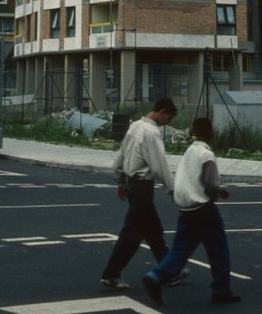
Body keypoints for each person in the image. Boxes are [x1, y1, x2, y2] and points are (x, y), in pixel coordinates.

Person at [142, 117, 240, 306]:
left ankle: (156, 275)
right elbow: (209, 183)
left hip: (186, 210)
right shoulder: (207, 155)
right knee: (218, 250)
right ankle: (221, 290)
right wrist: (219, 191)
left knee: (180, 249)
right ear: (210, 133)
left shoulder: (189, 151)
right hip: (204, 210)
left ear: (194, 132)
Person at [101, 96, 185, 291]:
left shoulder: (135, 126)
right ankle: (110, 274)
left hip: (132, 184)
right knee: (132, 234)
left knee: (154, 232)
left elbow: (120, 156)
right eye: (169, 118)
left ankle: (170, 271)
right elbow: (160, 166)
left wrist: (120, 181)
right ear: (162, 111)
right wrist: (173, 190)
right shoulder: (152, 133)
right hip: (142, 187)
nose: (168, 123)